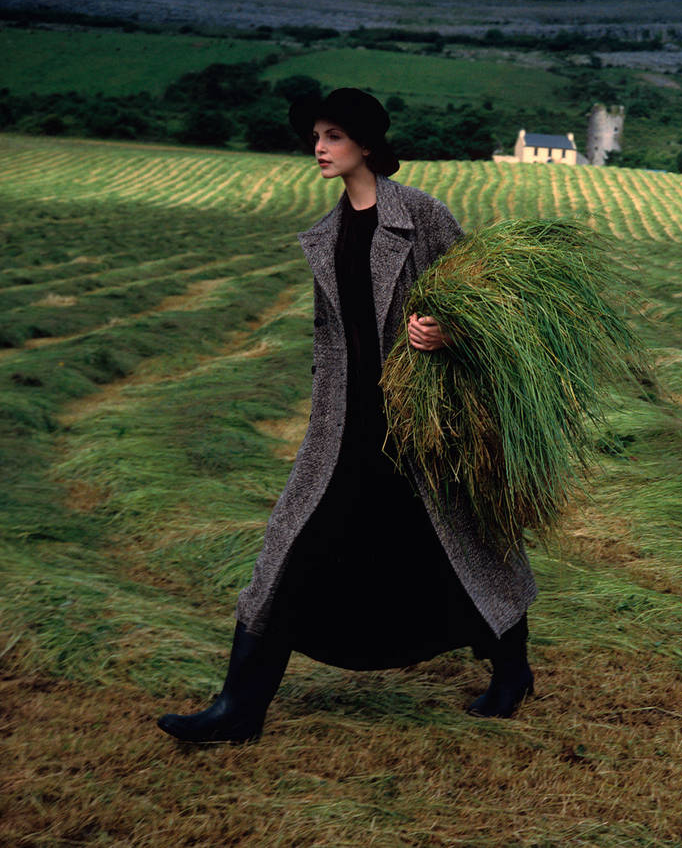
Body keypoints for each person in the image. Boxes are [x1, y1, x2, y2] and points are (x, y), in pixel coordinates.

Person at [157, 88, 538, 744]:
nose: (319, 148)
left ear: (365, 144)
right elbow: (328, 339)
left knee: (463, 546)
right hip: (346, 429)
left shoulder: (421, 215)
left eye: (332, 136)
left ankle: (511, 671)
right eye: (315, 137)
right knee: (290, 547)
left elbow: (490, 301)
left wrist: (450, 331)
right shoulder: (328, 235)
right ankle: (239, 709)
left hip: (422, 425)